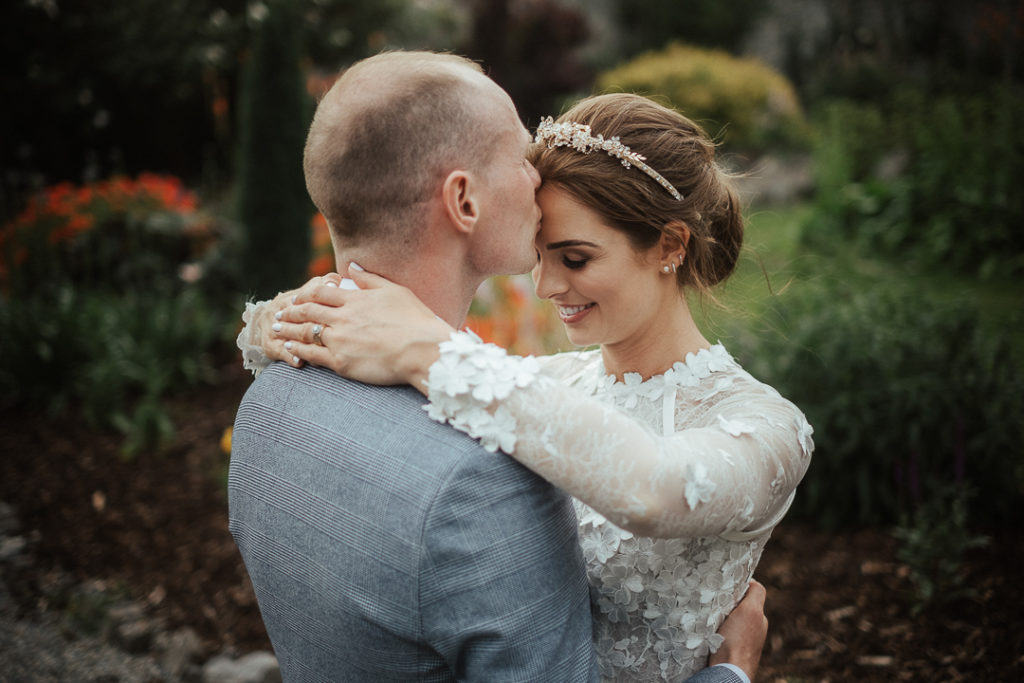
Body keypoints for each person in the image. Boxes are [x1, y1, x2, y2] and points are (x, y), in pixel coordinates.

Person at [231, 51, 766, 682]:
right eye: (521, 157)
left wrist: (277, 323)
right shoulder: (486, 475)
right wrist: (731, 673)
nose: (536, 178)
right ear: (463, 199)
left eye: (574, 257)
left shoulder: (268, 398)